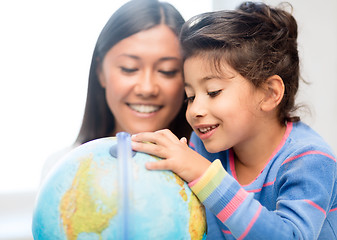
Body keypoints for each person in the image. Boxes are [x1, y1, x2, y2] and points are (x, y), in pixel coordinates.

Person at [131, 2, 337, 239]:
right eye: (190, 96)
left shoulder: (309, 160)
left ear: (269, 93)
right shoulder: (203, 146)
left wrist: (205, 175)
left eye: (213, 92)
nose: (195, 109)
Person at [41, 0, 191, 180]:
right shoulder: (64, 168)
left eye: (167, 71)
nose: (147, 88)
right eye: (129, 68)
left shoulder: (207, 170)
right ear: (100, 72)